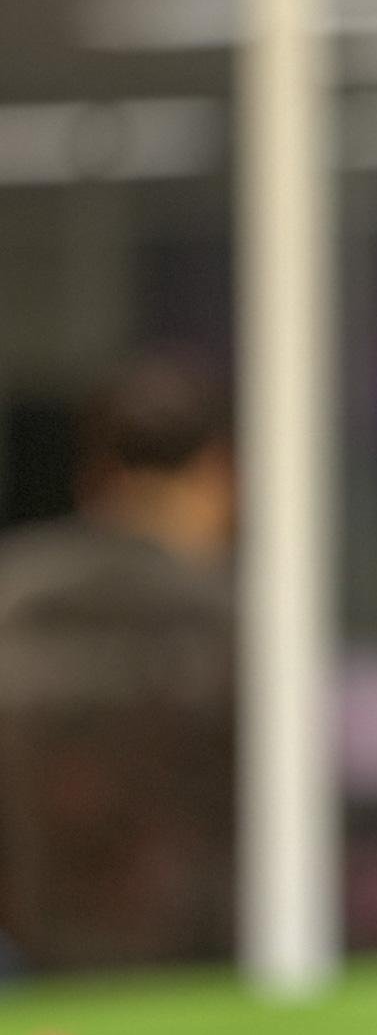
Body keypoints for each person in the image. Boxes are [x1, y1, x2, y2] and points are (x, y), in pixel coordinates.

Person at [0, 359, 237, 971]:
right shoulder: (238, 622)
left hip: (40, 963)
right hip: (206, 968)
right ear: (217, 472)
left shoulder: (14, 598)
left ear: (96, 474)